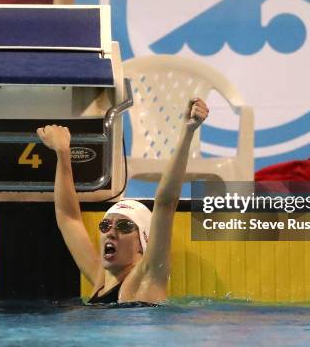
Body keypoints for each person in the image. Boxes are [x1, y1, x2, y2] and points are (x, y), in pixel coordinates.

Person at [37, 98, 209, 304]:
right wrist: (63, 153)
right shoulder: (100, 279)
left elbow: (165, 204)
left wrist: (187, 133)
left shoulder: (146, 278)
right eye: (106, 224)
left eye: (125, 226)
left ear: (143, 242)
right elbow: (68, 219)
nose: (111, 232)